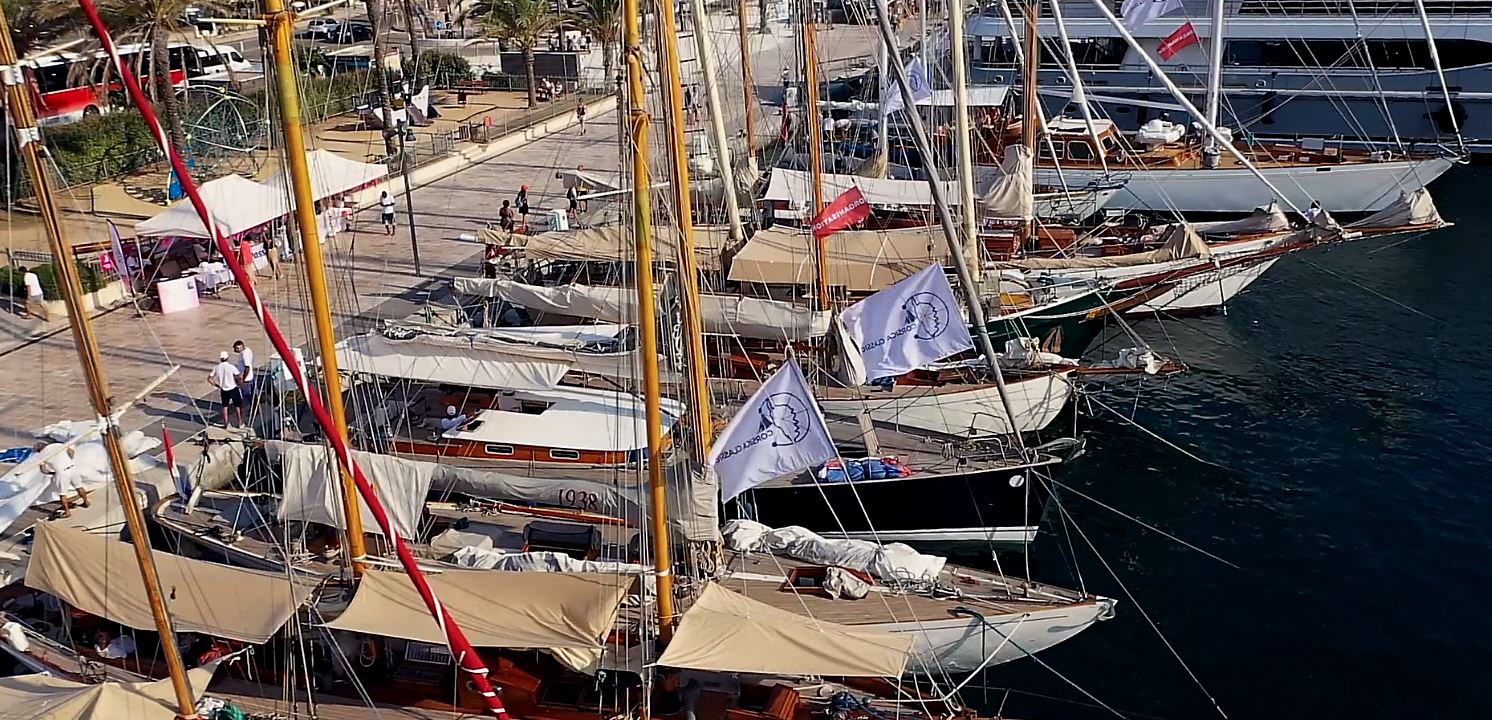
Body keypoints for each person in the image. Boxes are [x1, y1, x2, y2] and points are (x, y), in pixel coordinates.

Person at [34, 441, 89, 518]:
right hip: (72, 467)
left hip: (62, 472)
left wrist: (53, 473)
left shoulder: (41, 456)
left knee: (62, 493)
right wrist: (68, 460)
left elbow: (44, 470)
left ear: (38, 450)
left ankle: (67, 512)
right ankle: (86, 502)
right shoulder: (57, 445)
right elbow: (71, 452)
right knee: (79, 486)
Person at [209, 350, 244, 428]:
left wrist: (216, 385)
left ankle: (226, 423)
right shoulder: (231, 367)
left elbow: (209, 378)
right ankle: (240, 423)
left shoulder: (216, 367)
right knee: (237, 406)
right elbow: (239, 376)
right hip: (233, 387)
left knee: (225, 406)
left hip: (224, 389)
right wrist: (240, 384)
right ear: (227, 358)